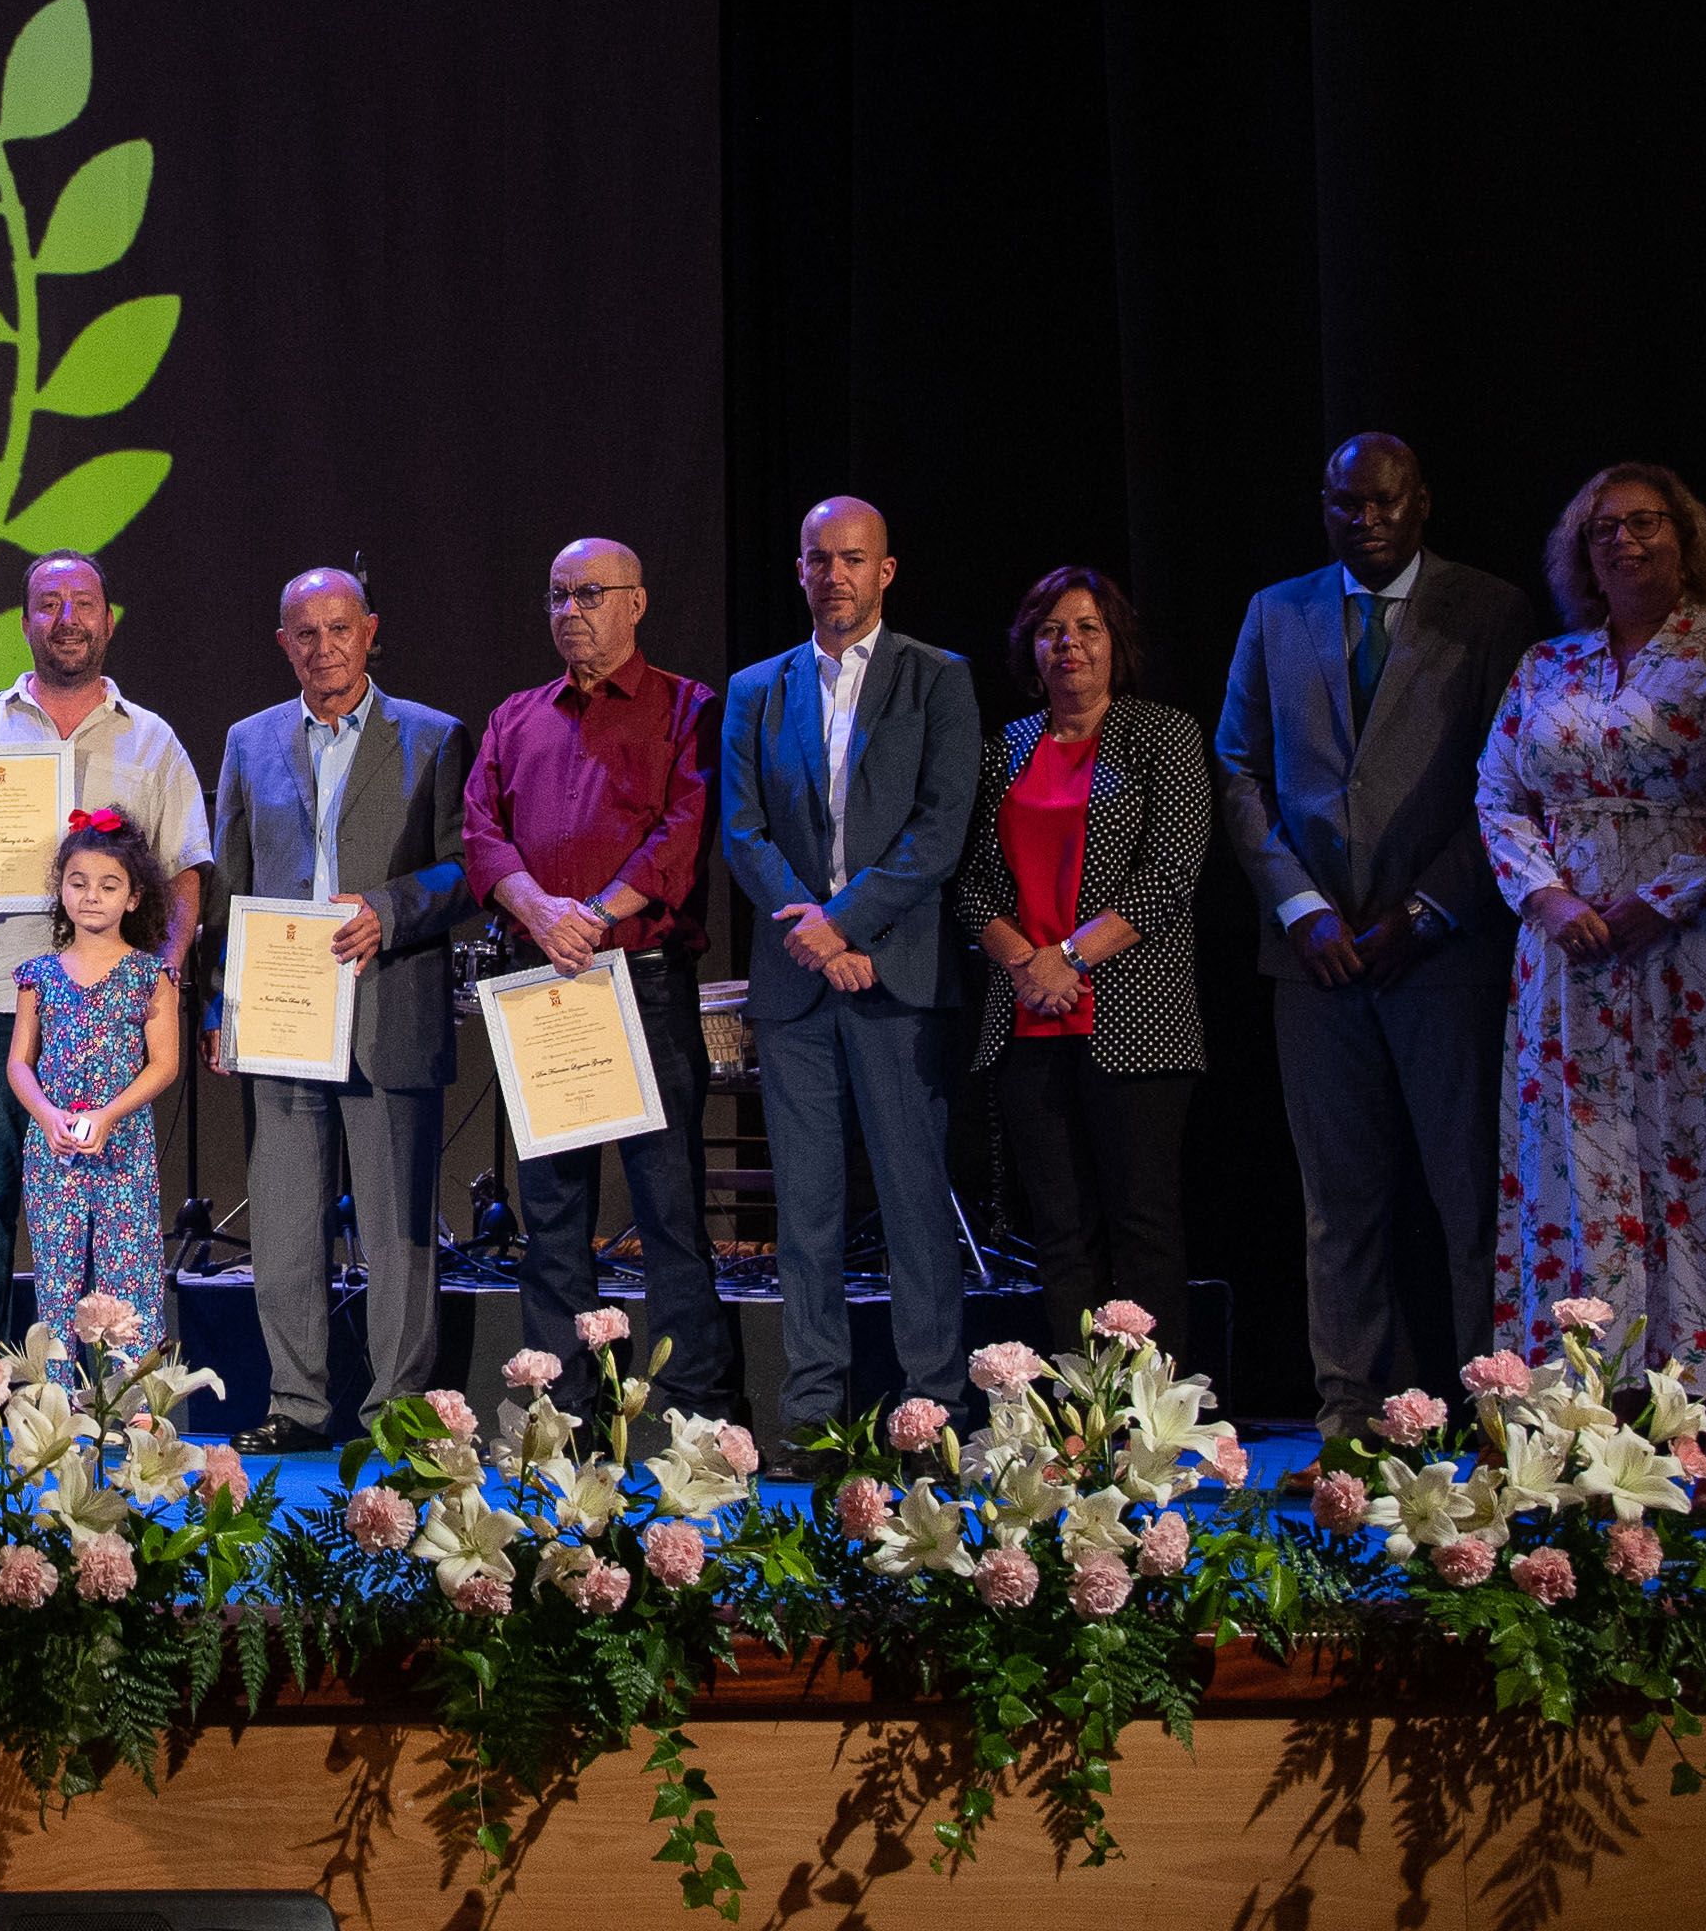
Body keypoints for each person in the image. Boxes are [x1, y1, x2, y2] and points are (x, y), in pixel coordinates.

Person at [1483, 466, 1706, 1481]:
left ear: (1686, 536)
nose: (1625, 542)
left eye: (1646, 524)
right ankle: (1589, 1447)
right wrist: (1549, 897)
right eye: (1603, 530)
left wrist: (1661, 898)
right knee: (1579, 1185)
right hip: (1568, 964)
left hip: (1695, 955)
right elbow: (1498, 790)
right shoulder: (1549, 661)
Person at [1215, 432, 1527, 1432]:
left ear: (1422, 502)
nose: (1368, 519)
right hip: (1315, 959)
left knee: (1468, 1197)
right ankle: (1351, 1415)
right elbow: (1239, 770)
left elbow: (1512, 781)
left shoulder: (1488, 610)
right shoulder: (1278, 610)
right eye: (1348, 502)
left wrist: (1425, 908)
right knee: (1338, 1203)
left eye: (1386, 501)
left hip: (1442, 952)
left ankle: (1494, 1414)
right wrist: (1302, 908)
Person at [458, 537, 739, 1426]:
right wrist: (541, 910)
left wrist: (596, 914)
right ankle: (564, 1407)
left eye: (588, 595)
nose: (569, 612)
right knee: (551, 1217)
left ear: (637, 602)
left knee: (669, 1211)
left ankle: (695, 1410)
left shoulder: (688, 707)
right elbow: (480, 833)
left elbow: (685, 831)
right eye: (556, 597)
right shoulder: (515, 716)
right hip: (541, 981)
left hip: (640, 980)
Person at [0, 549, 214, 1356]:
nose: (66, 619)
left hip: (112, 1019)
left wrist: (170, 970)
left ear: (109, 620)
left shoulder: (153, 741)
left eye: (83, 603)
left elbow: (185, 870)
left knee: (111, 1212)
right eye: (49, 604)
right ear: (25, 620)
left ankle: (102, 1389)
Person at [720, 495, 984, 1439]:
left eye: (854, 558)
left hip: (894, 975)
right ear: (800, 569)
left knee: (915, 1204)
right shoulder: (756, 688)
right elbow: (743, 831)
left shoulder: (937, 679)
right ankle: (814, 1410)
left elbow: (941, 829)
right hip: (798, 985)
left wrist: (844, 925)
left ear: (886, 570)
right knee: (807, 1215)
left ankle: (933, 1406)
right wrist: (815, 934)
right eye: (819, 558)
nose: (836, 574)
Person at [200, 567, 469, 1449]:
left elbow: (467, 869)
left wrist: (385, 912)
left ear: (370, 631)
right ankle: (297, 1404)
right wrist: (218, 1003)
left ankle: (395, 1409)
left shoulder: (432, 737)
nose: (324, 648)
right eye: (305, 634)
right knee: (282, 1226)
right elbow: (229, 881)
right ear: (284, 644)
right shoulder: (248, 739)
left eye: (340, 628)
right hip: (279, 1014)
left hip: (389, 1008)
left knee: (395, 1233)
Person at [957, 568, 1213, 1352]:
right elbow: (969, 881)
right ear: (1030, 649)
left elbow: (1170, 870)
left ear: (1117, 644)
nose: (1069, 643)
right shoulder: (1004, 750)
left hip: (1136, 1019)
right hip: (1030, 1023)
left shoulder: (1162, 734)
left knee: (1143, 1227)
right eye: (1052, 630)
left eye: (1088, 628)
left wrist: (1066, 956)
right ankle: (1076, 1420)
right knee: (1060, 1235)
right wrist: (1029, 967)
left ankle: (1151, 1423)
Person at [6, 813, 184, 1348]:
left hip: (122, 1144)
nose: (91, 897)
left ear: (132, 898)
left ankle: (134, 1410)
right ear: (60, 889)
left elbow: (165, 1063)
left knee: (128, 1279)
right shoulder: (38, 975)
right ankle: (57, 1412)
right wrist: (47, 1114)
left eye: (109, 886)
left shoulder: (149, 975)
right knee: (57, 1283)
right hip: (54, 1147)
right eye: (78, 883)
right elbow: (19, 1062)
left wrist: (108, 1115)